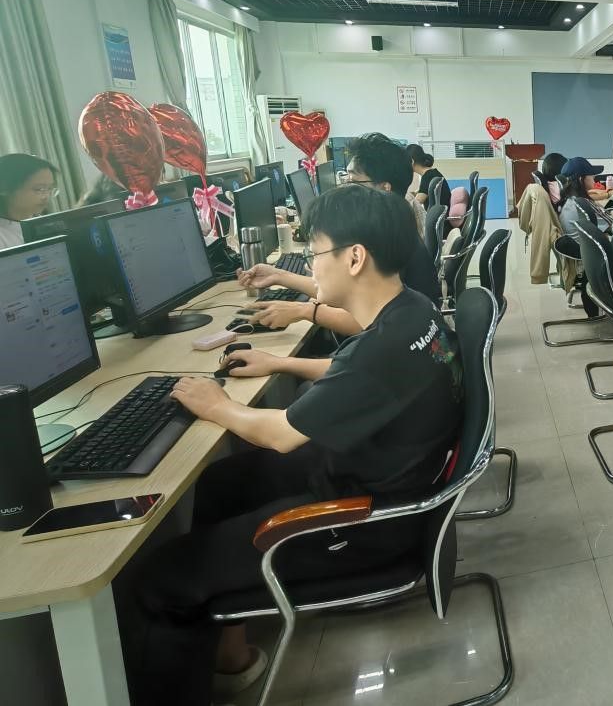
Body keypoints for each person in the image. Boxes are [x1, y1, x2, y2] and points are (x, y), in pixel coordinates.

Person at [120, 185, 462, 706]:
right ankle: (232, 652)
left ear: (354, 258)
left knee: (160, 580)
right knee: (221, 482)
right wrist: (279, 362)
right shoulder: (412, 310)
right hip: (371, 469)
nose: (311, 264)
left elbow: (280, 435)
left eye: (316, 251)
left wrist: (216, 404)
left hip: (367, 521)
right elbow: (359, 378)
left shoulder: (384, 345)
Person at [238, 133, 441, 336]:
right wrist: (279, 276)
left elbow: (366, 322)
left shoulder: (385, 240)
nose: (346, 189)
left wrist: (304, 311)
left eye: (353, 181)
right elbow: (348, 290)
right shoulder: (394, 224)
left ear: (384, 188)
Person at [0, 153, 58, 249]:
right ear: (4, 188)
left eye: (50, 189)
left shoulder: (45, 223)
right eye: (39, 189)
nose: (46, 196)